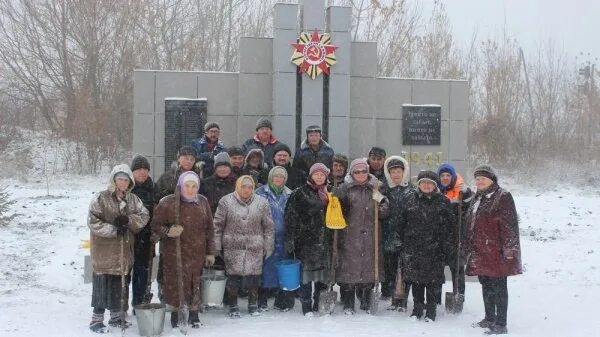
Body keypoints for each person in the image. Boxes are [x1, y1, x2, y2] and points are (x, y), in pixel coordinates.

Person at [87, 164, 150, 333]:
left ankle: (116, 317)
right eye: (119, 178)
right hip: (104, 251)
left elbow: (144, 215)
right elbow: (93, 221)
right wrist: (114, 229)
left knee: (118, 285)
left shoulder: (133, 199)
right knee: (102, 284)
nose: (122, 182)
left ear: (130, 182)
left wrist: (128, 221)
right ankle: (96, 320)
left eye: (126, 179)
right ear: (114, 179)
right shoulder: (101, 197)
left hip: (123, 250)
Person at [151, 171, 215, 328]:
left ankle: (194, 313)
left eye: (194, 186)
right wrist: (168, 231)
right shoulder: (168, 203)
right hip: (174, 252)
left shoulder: (202, 202)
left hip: (196, 251)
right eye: (187, 185)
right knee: (175, 282)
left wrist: (210, 252)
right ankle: (175, 313)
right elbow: (155, 227)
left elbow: (209, 229)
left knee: (195, 282)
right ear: (180, 185)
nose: (190, 189)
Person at [466, 165, 522, 335]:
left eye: (483, 178)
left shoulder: (503, 196)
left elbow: (510, 225)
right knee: (486, 286)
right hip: (481, 251)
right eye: (477, 178)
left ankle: (501, 323)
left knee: (499, 288)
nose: (479, 181)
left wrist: (510, 249)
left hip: (497, 252)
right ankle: (489, 318)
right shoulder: (478, 197)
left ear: (492, 179)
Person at [395, 170, 453, 322]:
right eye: (423, 183)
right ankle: (417, 310)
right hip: (414, 249)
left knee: (432, 283)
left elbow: (450, 228)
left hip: (435, 250)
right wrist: (403, 243)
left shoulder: (443, 202)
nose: (426, 185)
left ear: (435, 186)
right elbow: (401, 224)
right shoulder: (410, 200)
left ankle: (431, 312)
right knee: (416, 282)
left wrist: (446, 248)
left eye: (430, 183)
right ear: (418, 184)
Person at [213, 175, 275, 318]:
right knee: (233, 278)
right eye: (243, 186)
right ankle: (233, 305)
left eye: (250, 187)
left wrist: (268, 244)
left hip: (255, 246)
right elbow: (217, 225)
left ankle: (253, 303)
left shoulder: (262, 203)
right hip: (232, 246)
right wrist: (217, 245)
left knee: (254, 277)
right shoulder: (226, 201)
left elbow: (268, 227)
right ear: (237, 186)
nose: (246, 190)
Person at [334, 158, 388, 315]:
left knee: (368, 268)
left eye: (364, 171)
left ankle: (366, 301)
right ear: (352, 173)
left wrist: (383, 205)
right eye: (357, 171)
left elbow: (385, 212)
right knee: (349, 270)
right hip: (349, 235)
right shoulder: (345, 189)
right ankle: (349, 304)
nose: (361, 174)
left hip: (371, 236)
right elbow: (336, 211)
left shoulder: (375, 189)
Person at [284, 163, 333, 316]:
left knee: (322, 276)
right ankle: (306, 306)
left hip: (325, 240)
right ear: (310, 176)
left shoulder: (330, 193)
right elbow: (290, 216)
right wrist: (290, 238)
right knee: (306, 275)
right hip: (304, 241)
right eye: (316, 174)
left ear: (326, 177)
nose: (319, 177)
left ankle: (319, 303)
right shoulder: (299, 193)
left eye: (322, 174)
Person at [434, 162, 473, 306]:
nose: (445, 178)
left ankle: (458, 298)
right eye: (442, 175)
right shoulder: (435, 190)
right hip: (439, 239)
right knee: (436, 272)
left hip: (456, 239)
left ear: (453, 176)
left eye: (448, 175)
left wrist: (468, 195)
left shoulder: (462, 191)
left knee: (457, 272)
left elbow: (470, 209)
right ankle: (435, 300)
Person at [256, 166, 294, 312]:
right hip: (265, 236)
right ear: (271, 177)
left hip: (283, 238)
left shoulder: (290, 194)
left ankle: (281, 300)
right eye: (276, 176)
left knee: (282, 269)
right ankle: (262, 299)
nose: (278, 179)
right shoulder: (260, 193)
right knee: (265, 269)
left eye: (281, 177)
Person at [380, 155, 413, 311]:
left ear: (404, 172)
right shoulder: (384, 191)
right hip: (389, 236)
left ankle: (404, 300)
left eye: (399, 171)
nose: (396, 175)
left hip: (406, 236)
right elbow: (379, 213)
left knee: (405, 270)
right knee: (391, 270)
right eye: (393, 172)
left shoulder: (411, 191)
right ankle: (395, 299)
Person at [129, 155, 156, 311]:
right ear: (133, 171)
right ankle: (120, 307)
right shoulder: (126, 188)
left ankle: (139, 304)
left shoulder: (153, 188)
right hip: (128, 237)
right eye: (138, 169)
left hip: (147, 239)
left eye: (145, 169)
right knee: (126, 273)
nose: (142, 172)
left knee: (142, 274)